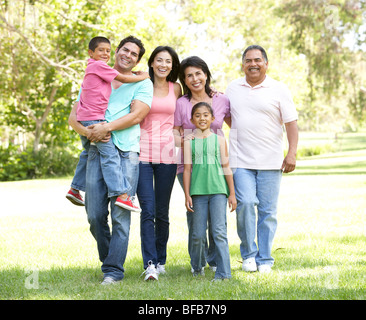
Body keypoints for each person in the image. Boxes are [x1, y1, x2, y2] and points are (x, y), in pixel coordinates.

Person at [68, 35, 153, 284]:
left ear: (137, 59)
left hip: (125, 152)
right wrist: (89, 132)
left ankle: (113, 270)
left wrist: (106, 128)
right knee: (94, 215)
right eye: (124, 50)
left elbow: (137, 115)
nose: (127, 55)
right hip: (97, 149)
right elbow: (75, 116)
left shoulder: (141, 82)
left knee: (120, 214)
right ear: (116, 51)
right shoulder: (95, 74)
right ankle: (109, 260)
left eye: (134, 54)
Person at [226, 45, 298, 273]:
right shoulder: (233, 88)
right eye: (248, 60)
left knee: (267, 212)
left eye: (258, 60)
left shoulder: (279, 89)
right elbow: (229, 117)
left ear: (266, 63)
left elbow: (291, 124)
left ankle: (265, 259)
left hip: (271, 162)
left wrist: (292, 152)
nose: (253, 64)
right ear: (243, 64)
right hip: (240, 161)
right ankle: (249, 255)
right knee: (245, 204)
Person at [66, 36, 149, 212]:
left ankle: (75, 188)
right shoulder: (100, 67)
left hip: (93, 122)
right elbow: (124, 79)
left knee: (87, 154)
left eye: (107, 51)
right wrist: (144, 75)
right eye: (125, 50)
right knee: (109, 157)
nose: (105, 53)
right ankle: (122, 194)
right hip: (94, 122)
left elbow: (136, 116)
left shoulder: (93, 69)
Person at [173, 56, 231, 274]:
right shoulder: (181, 103)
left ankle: (215, 260)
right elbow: (174, 132)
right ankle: (197, 262)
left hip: (217, 167)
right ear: (184, 80)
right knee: (196, 218)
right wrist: (186, 141)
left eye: (198, 73)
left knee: (216, 219)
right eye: (189, 75)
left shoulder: (222, 99)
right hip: (189, 166)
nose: (195, 78)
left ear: (206, 74)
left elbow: (234, 126)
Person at [136, 46, 182, 281]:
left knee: (162, 212)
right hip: (142, 154)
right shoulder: (141, 83)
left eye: (168, 61)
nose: (163, 64)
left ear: (173, 66)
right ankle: (150, 264)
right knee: (148, 210)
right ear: (152, 63)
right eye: (159, 60)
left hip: (167, 155)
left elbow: (190, 106)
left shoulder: (176, 87)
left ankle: (161, 259)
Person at [183, 102, 236, 280]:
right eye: (197, 115)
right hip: (198, 193)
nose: (202, 118)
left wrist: (232, 193)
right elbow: (188, 170)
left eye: (206, 115)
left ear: (212, 119)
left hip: (218, 192)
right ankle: (197, 266)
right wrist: (187, 194)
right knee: (197, 234)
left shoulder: (220, 140)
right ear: (192, 120)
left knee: (219, 232)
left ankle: (224, 273)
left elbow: (226, 166)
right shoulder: (188, 142)